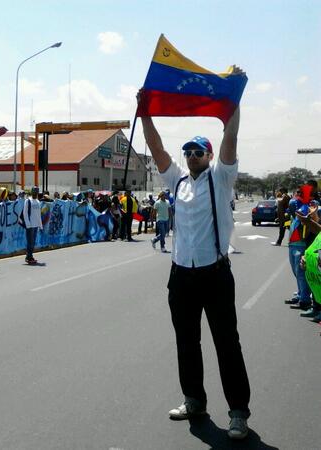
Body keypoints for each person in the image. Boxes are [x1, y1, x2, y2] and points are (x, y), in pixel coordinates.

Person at [140, 82, 251, 440]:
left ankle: (237, 412)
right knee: (186, 342)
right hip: (181, 276)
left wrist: (233, 105)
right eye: (187, 151)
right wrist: (145, 113)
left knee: (226, 344)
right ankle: (194, 400)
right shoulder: (177, 181)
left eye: (198, 151)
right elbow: (156, 148)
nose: (191, 155)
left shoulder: (222, 178)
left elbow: (229, 141)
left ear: (209, 155)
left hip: (215, 275)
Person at [23, 186, 43, 263]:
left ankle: (30, 256)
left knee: (33, 242)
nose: (35, 192)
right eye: (34, 191)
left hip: (36, 225)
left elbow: (38, 215)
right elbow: (25, 213)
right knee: (30, 242)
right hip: (30, 225)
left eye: (37, 191)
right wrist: (28, 225)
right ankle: (28, 257)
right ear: (32, 192)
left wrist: (40, 225)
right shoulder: (28, 201)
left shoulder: (38, 202)